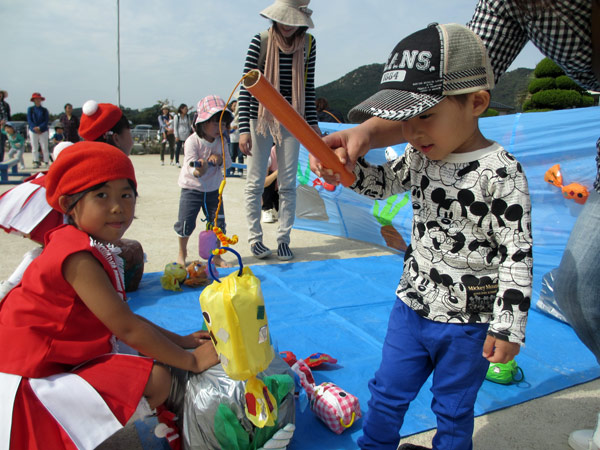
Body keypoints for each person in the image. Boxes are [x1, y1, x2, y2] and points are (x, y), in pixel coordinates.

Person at [317, 24, 533, 450]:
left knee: (453, 409)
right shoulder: (420, 156)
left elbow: (517, 252)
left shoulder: (501, 172)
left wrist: (508, 326)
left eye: (425, 116)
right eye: (405, 121)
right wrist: (345, 172)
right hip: (411, 306)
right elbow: (381, 183)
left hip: (469, 323)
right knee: (387, 392)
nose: (412, 133)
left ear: (476, 102)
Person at [0, 142, 219, 449]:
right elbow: (127, 328)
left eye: (126, 195)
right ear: (69, 204)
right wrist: (190, 360)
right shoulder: (77, 256)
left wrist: (179, 340)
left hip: (54, 359)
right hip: (32, 376)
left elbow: (123, 318)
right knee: (156, 379)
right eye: (101, 195)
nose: (118, 207)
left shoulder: (83, 244)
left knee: (148, 356)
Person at [238, 0, 319, 261]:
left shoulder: (308, 44)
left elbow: (308, 88)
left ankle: (284, 238)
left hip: (293, 119)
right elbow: (246, 86)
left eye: (293, 19)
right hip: (260, 117)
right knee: (255, 181)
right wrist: (243, 129)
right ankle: (255, 239)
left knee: (288, 183)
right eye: (283, 18)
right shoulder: (260, 40)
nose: (286, 24)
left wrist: (313, 124)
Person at [174, 95, 233, 269]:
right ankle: (182, 252)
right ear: (202, 122)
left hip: (214, 190)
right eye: (215, 123)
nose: (219, 127)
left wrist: (220, 158)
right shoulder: (192, 141)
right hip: (191, 188)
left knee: (218, 223)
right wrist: (199, 170)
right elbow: (190, 164)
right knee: (186, 222)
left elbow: (228, 163)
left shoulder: (222, 141)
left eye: (223, 124)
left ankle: (216, 256)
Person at [27, 92, 50, 169]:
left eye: (39, 99)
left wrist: (40, 128)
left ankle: (46, 162)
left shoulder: (44, 110)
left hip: (43, 130)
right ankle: (36, 161)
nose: (37, 100)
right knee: (34, 147)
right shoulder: (30, 109)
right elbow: (29, 120)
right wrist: (35, 128)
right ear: (33, 100)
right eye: (36, 99)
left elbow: (46, 121)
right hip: (33, 130)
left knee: (45, 147)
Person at [262, 144, 279, 223]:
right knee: (270, 175)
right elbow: (263, 183)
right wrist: (277, 173)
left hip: (283, 188)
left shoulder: (293, 152)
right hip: (272, 187)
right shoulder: (270, 153)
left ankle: (278, 209)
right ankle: (267, 209)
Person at [227, 99, 244, 176]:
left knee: (240, 155)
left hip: (240, 138)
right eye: (235, 105)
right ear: (231, 107)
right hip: (232, 138)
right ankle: (232, 170)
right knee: (232, 155)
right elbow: (227, 127)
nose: (236, 107)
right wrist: (232, 128)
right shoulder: (229, 115)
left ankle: (240, 170)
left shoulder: (241, 115)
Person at [173, 103, 191, 168]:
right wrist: (176, 136)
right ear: (181, 109)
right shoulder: (177, 116)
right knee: (178, 148)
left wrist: (190, 133)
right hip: (179, 134)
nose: (186, 110)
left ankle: (186, 161)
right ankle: (177, 161)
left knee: (186, 149)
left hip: (186, 134)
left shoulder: (187, 116)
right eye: (185, 109)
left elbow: (189, 125)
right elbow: (175, 127)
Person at [0, 90, 11, 162]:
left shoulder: (6, 105)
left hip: (3, 127)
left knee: (1, 145)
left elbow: (8, 116)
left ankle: (0, 161)